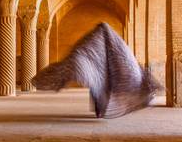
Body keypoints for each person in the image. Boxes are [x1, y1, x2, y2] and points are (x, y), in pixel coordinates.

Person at [32, 22, 161, 118]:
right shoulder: (99, 42)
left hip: (99, 72)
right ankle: (101, 111)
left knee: (97, 87)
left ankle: (101, 110)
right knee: (98, 87)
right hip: (99, 71)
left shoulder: (98, 41)